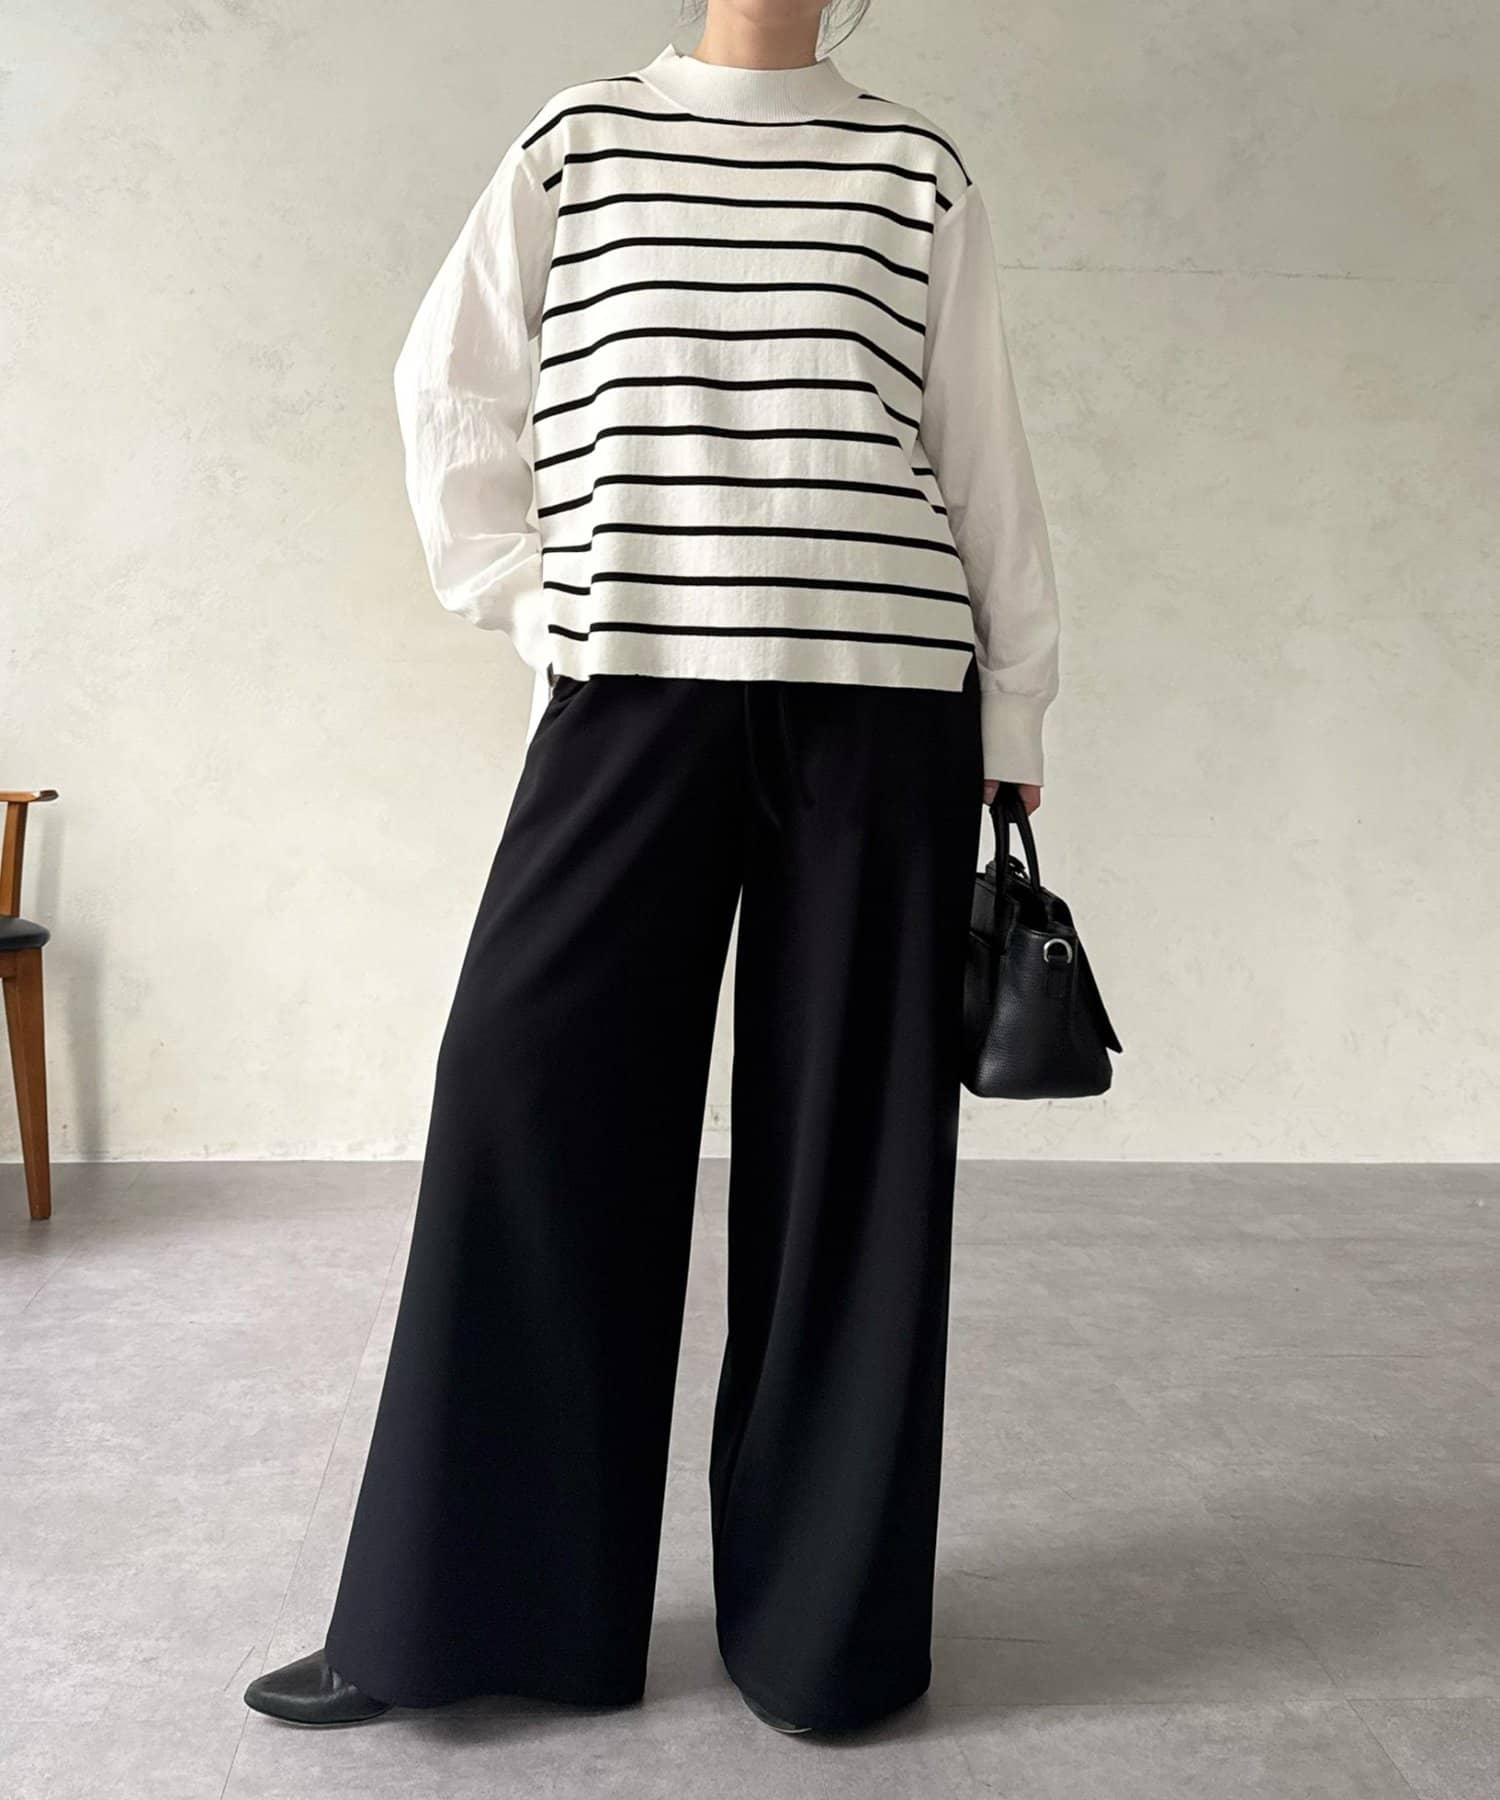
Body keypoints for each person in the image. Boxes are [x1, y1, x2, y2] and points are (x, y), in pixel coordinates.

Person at [244, 0, 1058, 1737]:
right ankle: (472, 1615)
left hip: (885, 704)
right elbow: (450, 383)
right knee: (525, 1097)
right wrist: (532, 600)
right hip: (635, 690)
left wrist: (1018, 703)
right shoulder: (582, 142)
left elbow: (978, 446)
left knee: (854, 1171)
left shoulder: (915, 168)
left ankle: (827, 1642)